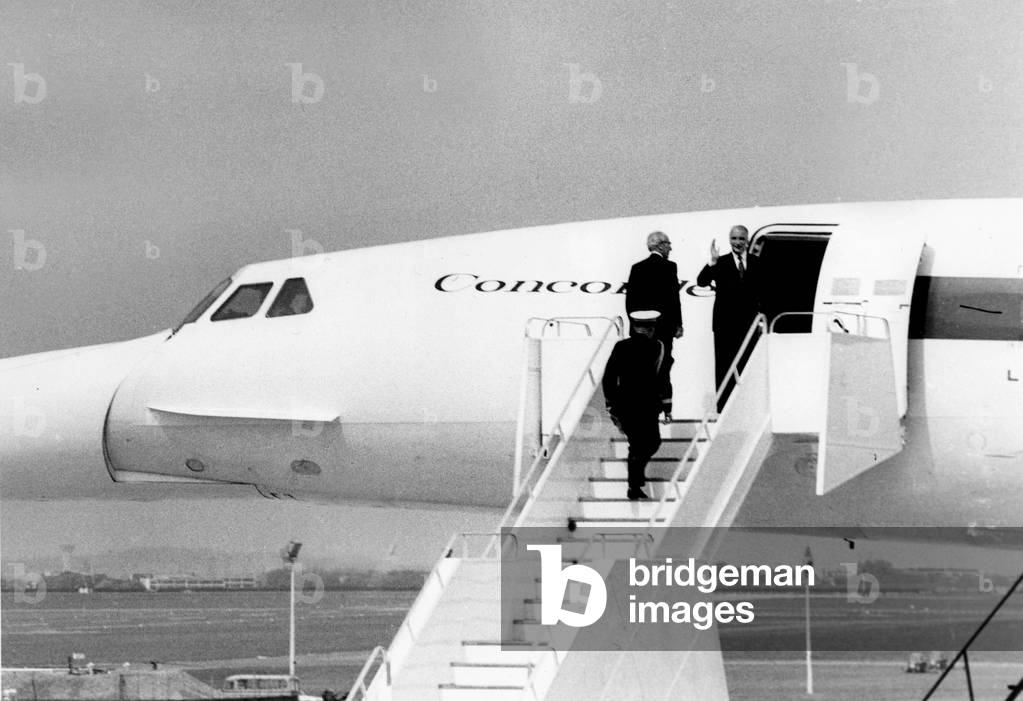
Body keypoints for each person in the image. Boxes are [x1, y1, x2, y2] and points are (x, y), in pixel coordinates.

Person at [696, 225, 760, 412]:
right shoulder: (721, 262)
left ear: (747, 240)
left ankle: (747, 407)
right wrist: (712, 262)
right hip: (725, 324)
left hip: (748, 323)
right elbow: (702, 281)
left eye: (741, 239)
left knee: (747, 366)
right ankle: (723, 408)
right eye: (734, 239)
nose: (737, 243)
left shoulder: (756, 262)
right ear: (729, 240)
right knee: (724, 367)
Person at [602, 311, 664, 501]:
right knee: (650, 443)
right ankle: (634, 485)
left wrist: (611, 403)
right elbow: (660, 377)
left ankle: (635, 481)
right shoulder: (657, 347)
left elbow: (609, 376)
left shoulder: (622, 346)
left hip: (626, 405)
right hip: (646, 405)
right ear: (649, 328)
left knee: (639, 445)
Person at [625, 231, 683, 421]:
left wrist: (635, 324)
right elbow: (674, 299)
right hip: (663, 329)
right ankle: (666, 409)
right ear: (659, 245)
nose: (670, 247)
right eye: (668, 243)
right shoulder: (669, 267)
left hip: (641, 329)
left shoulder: (637, 268)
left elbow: (630, 301)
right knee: (663, 366)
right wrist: (678, 324)